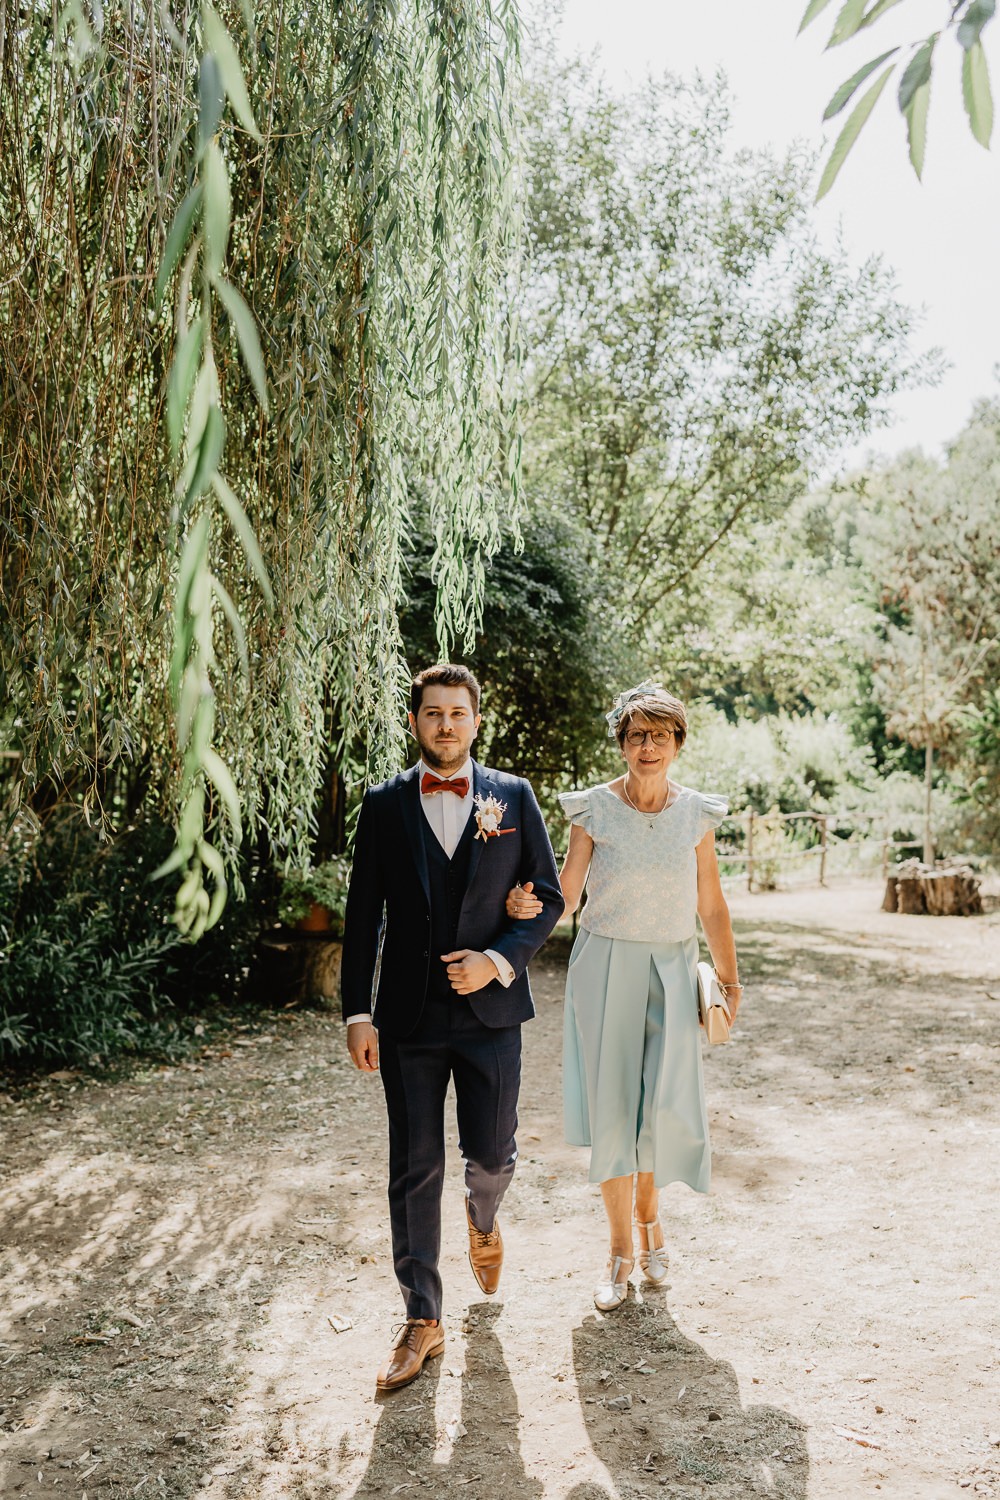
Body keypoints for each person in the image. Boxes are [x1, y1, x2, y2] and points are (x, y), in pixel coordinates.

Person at [341, 663, 563, 1392]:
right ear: (415, 723)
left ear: (475, 720)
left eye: (457, 714)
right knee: (414, 1165)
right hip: (405, 1018)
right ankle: (422, 1318)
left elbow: (549, 897)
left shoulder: (513, 796)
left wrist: (499, 960)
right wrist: (358, 1010)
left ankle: (485, 1216)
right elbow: (362, 914)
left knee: (491, 1157)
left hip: (491, 1014)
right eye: (432, 714)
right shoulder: (383, 804)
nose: (445, 725)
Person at [507, 682, 742, 1312]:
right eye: (636, 734)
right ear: (621, 741)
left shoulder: (696, 813)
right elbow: (566, 892)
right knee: (615, 1112)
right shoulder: (594, 810)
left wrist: (730, 975)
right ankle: (617, 1250)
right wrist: (520, 918)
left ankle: (651, 1227)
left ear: (676, 744)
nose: (647, 746)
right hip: (605, 965)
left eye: (659, 735)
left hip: (671, 965)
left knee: (660, 1112)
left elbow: (711, 903)